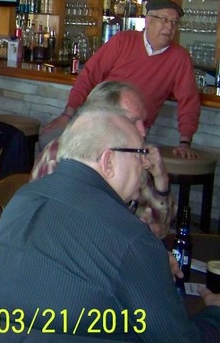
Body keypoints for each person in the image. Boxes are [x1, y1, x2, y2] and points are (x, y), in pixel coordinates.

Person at [0, 108, 220, 343]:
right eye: (139, 154)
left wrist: (149, 266)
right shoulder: (130, 236)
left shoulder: (24, 197)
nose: (145, 164)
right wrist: (214, 313)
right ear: (108, 161)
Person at [41, 0, 200, 159]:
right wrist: (68, 114)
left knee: (110, 164)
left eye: (174, 22)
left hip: (134, 129)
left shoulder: (180, 58)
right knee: (51, 146)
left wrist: (185, 142)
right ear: (148, 20)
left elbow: (189, 99)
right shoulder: (123, 40)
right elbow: (89, 75)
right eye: (164, 19)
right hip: (98, 119)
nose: (170, 27)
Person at [31, 81, 174, 239]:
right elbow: (61, 230)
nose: (143, 132)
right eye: (132, 121)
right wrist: (135, 231)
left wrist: (161, 179)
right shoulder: (62, 155)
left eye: (144, 123)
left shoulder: (131, 156)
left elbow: (160, 230)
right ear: (101, 119)